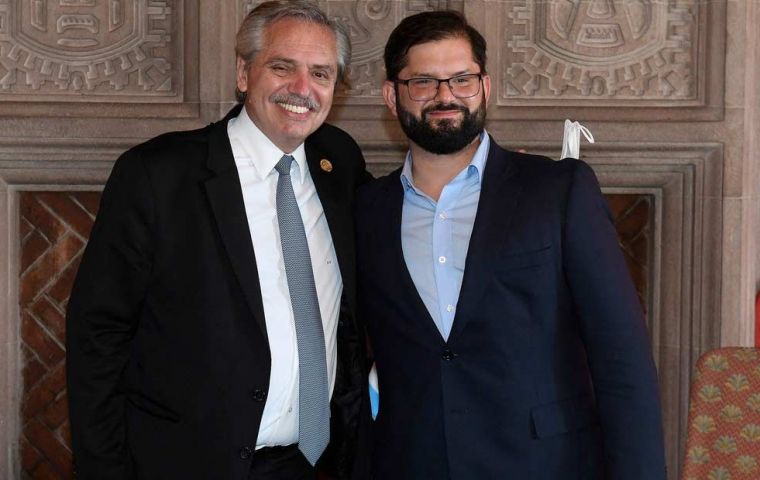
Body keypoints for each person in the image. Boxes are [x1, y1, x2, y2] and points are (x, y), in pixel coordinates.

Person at [356, 11, 667, 480]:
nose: (446, 96)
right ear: (391, 96)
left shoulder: (558, 191)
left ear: (485, 87)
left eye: (462, 79)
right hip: (411, 462)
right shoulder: (366, 210)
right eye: (423, 82)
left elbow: (622, 360)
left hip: (546, 464)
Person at [66, 2, 371, 479]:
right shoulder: (158, 175)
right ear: (244, 73)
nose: (302, 89)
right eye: (282, 67)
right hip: (190, 462)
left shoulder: (341, 164)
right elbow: (97, 339)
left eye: (321, 73)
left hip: (316, 463)